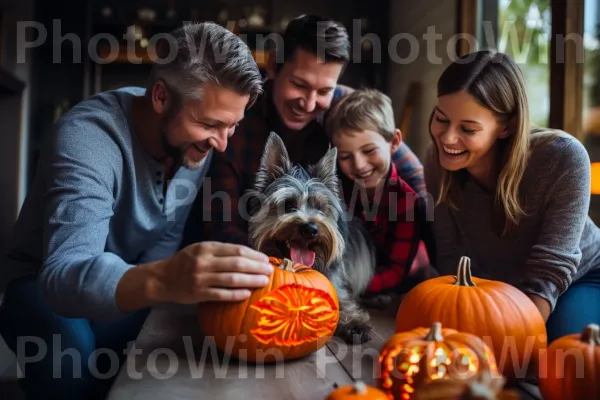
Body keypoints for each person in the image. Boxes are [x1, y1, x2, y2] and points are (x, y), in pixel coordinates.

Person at [0, 22, 273, 399]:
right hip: (42, 286)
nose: (223, 144)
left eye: (232, 126)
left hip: (127, 281)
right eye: (210, 124)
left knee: (167, 352)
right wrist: (165, 280)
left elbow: (163, 237)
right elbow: (63, 273)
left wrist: (161, 291)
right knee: (71, 359)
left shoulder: (198, 143)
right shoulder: (88, 138)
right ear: (161, 96)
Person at [191, 14, 427, 249]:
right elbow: (222, 225)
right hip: (256, 253)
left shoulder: (345, 108)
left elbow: (413, 174)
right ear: (273, 65)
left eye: (324, 91)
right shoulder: (237, 117)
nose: (309, 103)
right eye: (299, 85)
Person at [424, 49, 600, 343]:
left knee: (565, 350)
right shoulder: (436, 159)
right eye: (441, 119)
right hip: (502, 293)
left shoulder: (563, 158)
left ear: (506, 126)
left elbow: (550, 270)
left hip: (579, 279)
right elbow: (450, 256)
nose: (447, 138)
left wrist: (512, 342)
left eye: (467, 128)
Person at [325, 88, 432, 296]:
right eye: (346, 156)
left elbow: (397, 272)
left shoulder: (407, 202)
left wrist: (344, 287)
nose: (359, 164)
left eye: (368, 151)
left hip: (399, 285)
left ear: (394, 143)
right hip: (354, 277)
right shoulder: (342, 192)